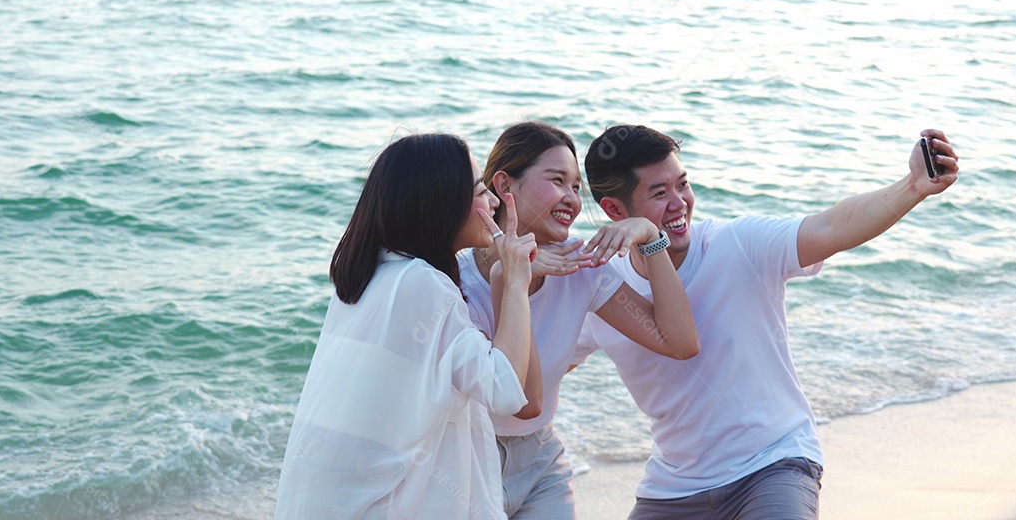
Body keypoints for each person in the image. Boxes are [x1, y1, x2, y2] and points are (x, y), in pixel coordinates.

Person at [573, 125, 960, 519]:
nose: (680, 203)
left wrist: (913, 185)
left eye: (683, 185)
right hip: (673, 488)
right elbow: (547, 365)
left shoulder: (738, 244)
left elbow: (831, 227)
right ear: (615, 211)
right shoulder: (604, 290)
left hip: (773, 464)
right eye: (659, 193)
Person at [275, 133, 538, 519]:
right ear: (441, 200)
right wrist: (515, 280)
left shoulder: (369, 275)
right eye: (482, 191)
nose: (494, 202)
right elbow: (504, 390)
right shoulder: (422, 283)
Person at [459, 121, 699, 519]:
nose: (572, 198)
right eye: (557, 181)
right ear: (504, 186)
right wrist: (516, 277)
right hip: (463, 461)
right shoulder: (456, 283)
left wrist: (650, 236)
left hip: (540, 462)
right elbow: (521, 401)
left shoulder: (581, 265)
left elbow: (679, 342)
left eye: (576, 187)